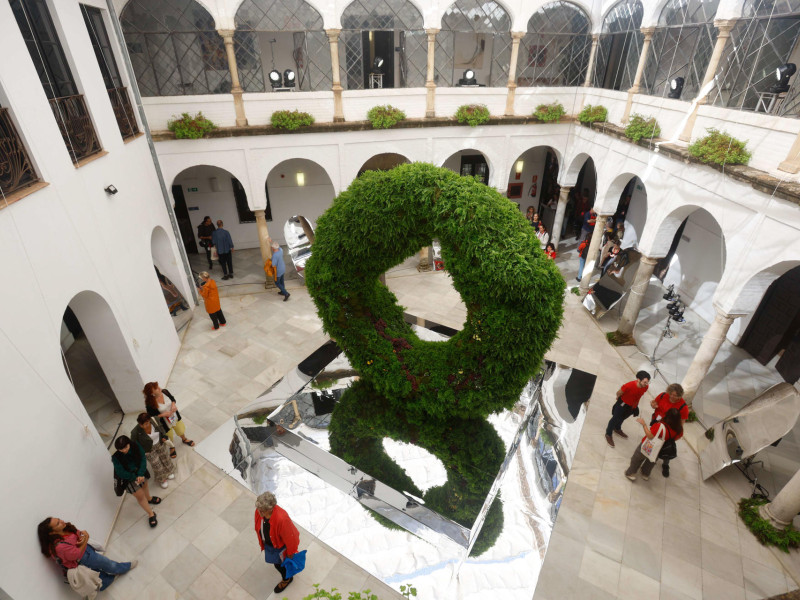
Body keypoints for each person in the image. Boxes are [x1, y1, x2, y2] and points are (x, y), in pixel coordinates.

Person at [37, 518, 137, 591]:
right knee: (108, 564)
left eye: (58, 519)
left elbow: (78, 534)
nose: (62, 521)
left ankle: (106, 582)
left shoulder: (65, 529)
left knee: (97, 571)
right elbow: (77, 553)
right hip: (85, 557)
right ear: (52, 532)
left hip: (86, 554)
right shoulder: (59, 547)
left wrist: (82, 536)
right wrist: (86, 537)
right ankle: (124, 568)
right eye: (58, 523)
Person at [254, 491, 300, 594]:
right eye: (259, 509)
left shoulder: (282, 519)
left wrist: (289, 555)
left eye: (262, 511)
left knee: (279, 565)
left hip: (279, 547)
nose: (258, 512)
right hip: (270, 544)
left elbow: (291, 538)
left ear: (270, 509)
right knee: (277, 563)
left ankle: (287, 579)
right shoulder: (259, 512)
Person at [112, 436, 160, 527]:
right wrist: (135, 477)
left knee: (145, 485)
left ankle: (149, 498)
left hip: (140, 472)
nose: (124, 450)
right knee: (140, 497)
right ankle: (151, 514)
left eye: (125, 447)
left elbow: (142, 458)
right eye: (120, 449)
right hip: (129, 478)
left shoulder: (135, 445)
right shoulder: (116, 458)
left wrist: (141, 473)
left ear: (129, 443)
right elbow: (121, 472)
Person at [625, 408, 683, 481]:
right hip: (659, 449)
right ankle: (645, 474)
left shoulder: (660, 426)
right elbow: (675, 439)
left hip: (648, 446)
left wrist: (644, 424)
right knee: (651, 461)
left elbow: (650, 435)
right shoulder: (679, 430)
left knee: (637, 458)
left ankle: (630, 473)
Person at [650, 383, 689, 477]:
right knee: (653, 441)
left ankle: (665, 464)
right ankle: (651, 456)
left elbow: (681, 424)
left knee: (666, 448)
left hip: (668, 431)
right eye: (671, 393)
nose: (672, 396)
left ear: (680, 395)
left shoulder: (683, 408)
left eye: (675, 395)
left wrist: (673, 436)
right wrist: (653, 405)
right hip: (657, 422)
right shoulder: (663, 395)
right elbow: (653, 403)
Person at [604, 370, 651, 447]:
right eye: (644, 382)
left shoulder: (645, 387)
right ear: (638, 379)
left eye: (647, 382)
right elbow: (618, 393)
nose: (646, 384)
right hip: (622, 404)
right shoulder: (629, 385)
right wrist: (618, 398)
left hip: (632, 406)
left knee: (623, 418)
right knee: (615, 418)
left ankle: (617, 428)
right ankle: (608, 434)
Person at [131, 412, 175, 489]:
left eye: (145, 424)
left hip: (159, 443)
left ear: (149, 420)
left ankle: (169, 471)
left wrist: (164, 436)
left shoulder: (155, 420)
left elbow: (162, 428)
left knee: (165, 458)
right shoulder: (135, 432)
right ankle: (162, 479)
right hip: (148, 450)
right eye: (141, 424)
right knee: (156, 464)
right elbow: (134, 444)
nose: (143, 426)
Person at [143, 381, 195, 448]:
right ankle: (172, 447)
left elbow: (172, 398)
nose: (159, 388)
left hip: (174, 417)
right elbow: (151, 417)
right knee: (169, 436)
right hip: (164, 423)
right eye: (156, 388)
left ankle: (184, 439)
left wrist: (173, 405)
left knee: (180, 430)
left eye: (158, 386)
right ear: (152, 393)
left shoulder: (165, 392)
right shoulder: (150, 404)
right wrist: (163, 414)